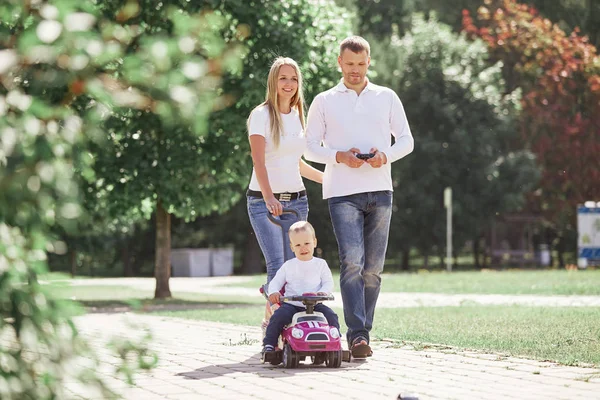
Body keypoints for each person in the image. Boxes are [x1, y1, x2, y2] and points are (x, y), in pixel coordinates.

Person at [304, 36, 414, 358]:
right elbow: (310, 147)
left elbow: (406, 140)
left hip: (381, 190)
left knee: (373, 269)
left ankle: (361, 330)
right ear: (339, 63)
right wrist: (339, 157)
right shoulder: (324, 101)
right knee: (353, 263)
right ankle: (358, 335)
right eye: (349, 64)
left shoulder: (387, 97)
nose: (355, 70)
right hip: (342, 193)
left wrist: (386, 156)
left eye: (361, 64)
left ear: (369, 62)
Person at [246, 57, 323, 331]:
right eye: (283, 78)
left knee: (294, 264)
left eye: (293, 79)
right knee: (278, 265)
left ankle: (270, 320)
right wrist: (269, 197)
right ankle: (278, 326)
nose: (288, 84)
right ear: (273, 82)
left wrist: (327, 179)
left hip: (297, 201)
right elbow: (259, 161)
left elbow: (297, 164)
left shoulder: (297, 116)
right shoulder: (261, 115)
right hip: (263, 202)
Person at [262, 221, 340, 354]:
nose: (303, 248)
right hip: (292, 305)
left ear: (314, 242)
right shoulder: (289, 265)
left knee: (331, 316)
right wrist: (274, 292)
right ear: (292, 247)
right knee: (278, 317)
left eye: (307, 243)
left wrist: (322, 292)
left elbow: (328, 282)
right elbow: (275, 282)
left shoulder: (321, 264)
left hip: (315, 304)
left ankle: (335, 342)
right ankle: (269, 344)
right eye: (298, 245)